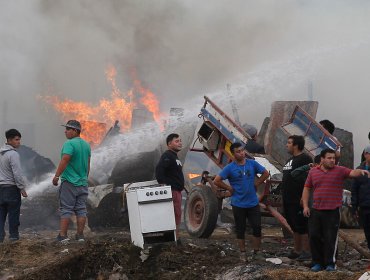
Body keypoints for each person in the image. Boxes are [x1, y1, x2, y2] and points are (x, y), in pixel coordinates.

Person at [302, 148, 370, 272]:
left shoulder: (340, 171)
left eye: (334, 158)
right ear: (322, 159)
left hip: (332, 210)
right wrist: (306, 206)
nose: (332, 160)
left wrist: (361, 171)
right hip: (316, 209)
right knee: (314, 236)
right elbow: (307, 188)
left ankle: (330, 264)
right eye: (329, 158)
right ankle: (317, 262)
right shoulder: (313, 172)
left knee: (330, 238)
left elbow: (352, 173)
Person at [213, 142, 269, 262]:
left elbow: (265, 173)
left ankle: (256, 252)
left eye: (243, 150)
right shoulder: (230, 168)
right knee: (240, 229)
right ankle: (243, 253)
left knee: (257, 227)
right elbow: (217, 181)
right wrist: (229, 188)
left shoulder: (252, 164)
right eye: (238, 151)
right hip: (238, 203)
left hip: (253, 203)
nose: (242, 153)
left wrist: (257, 184)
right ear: (233, 154)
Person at [52, 120, 91, 243]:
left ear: (75, 131)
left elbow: (65, 160)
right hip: (83, 183)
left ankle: (63, 236)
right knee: (81, 209)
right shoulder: (86, 145)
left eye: (68, 129)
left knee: (66, 209)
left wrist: (57, 176)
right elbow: (88, 165)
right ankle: (80, 235)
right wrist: (85, 178)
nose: (65, 131)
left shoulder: (69, 144)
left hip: (69, 182)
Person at [281, 135, 313, 261]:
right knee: (293, 225)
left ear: (296, 145)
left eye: (289, 143)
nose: (286, 145)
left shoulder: (305, 159)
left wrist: (304, 198)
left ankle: (307, 251)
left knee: (302, 225)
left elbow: (308, 179)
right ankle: (297, 250)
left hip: (298, 198)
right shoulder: (290, 160)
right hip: (288, 198)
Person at [155, 133, 185, 240]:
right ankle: (172, 239)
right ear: (169, 144)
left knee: (176, 215)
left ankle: (175, 238)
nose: (180, 143)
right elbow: (159, 170)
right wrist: (163, 184)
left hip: (177, 191)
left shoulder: (174, 156)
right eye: (177, 141)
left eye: (180, 140)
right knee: (173, 215)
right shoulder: (167, 155)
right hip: (172, 191)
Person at [0, 129, 28, 242]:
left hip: (1, 189)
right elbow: (17, 173)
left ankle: (0, 238)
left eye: (19, 139)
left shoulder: (0, 153)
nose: (19, 142)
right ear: (9, 140)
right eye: (16, 140)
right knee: (13, 214)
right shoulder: (13, 154)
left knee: (1, 215)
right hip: (11, 189)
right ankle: (14, 237)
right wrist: (22, 188)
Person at [351, 145, 370, 250]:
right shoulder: (359, 170)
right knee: (367, 232)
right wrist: (354, 207)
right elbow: (354, 190)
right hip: (364, 206)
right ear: (366, 154)